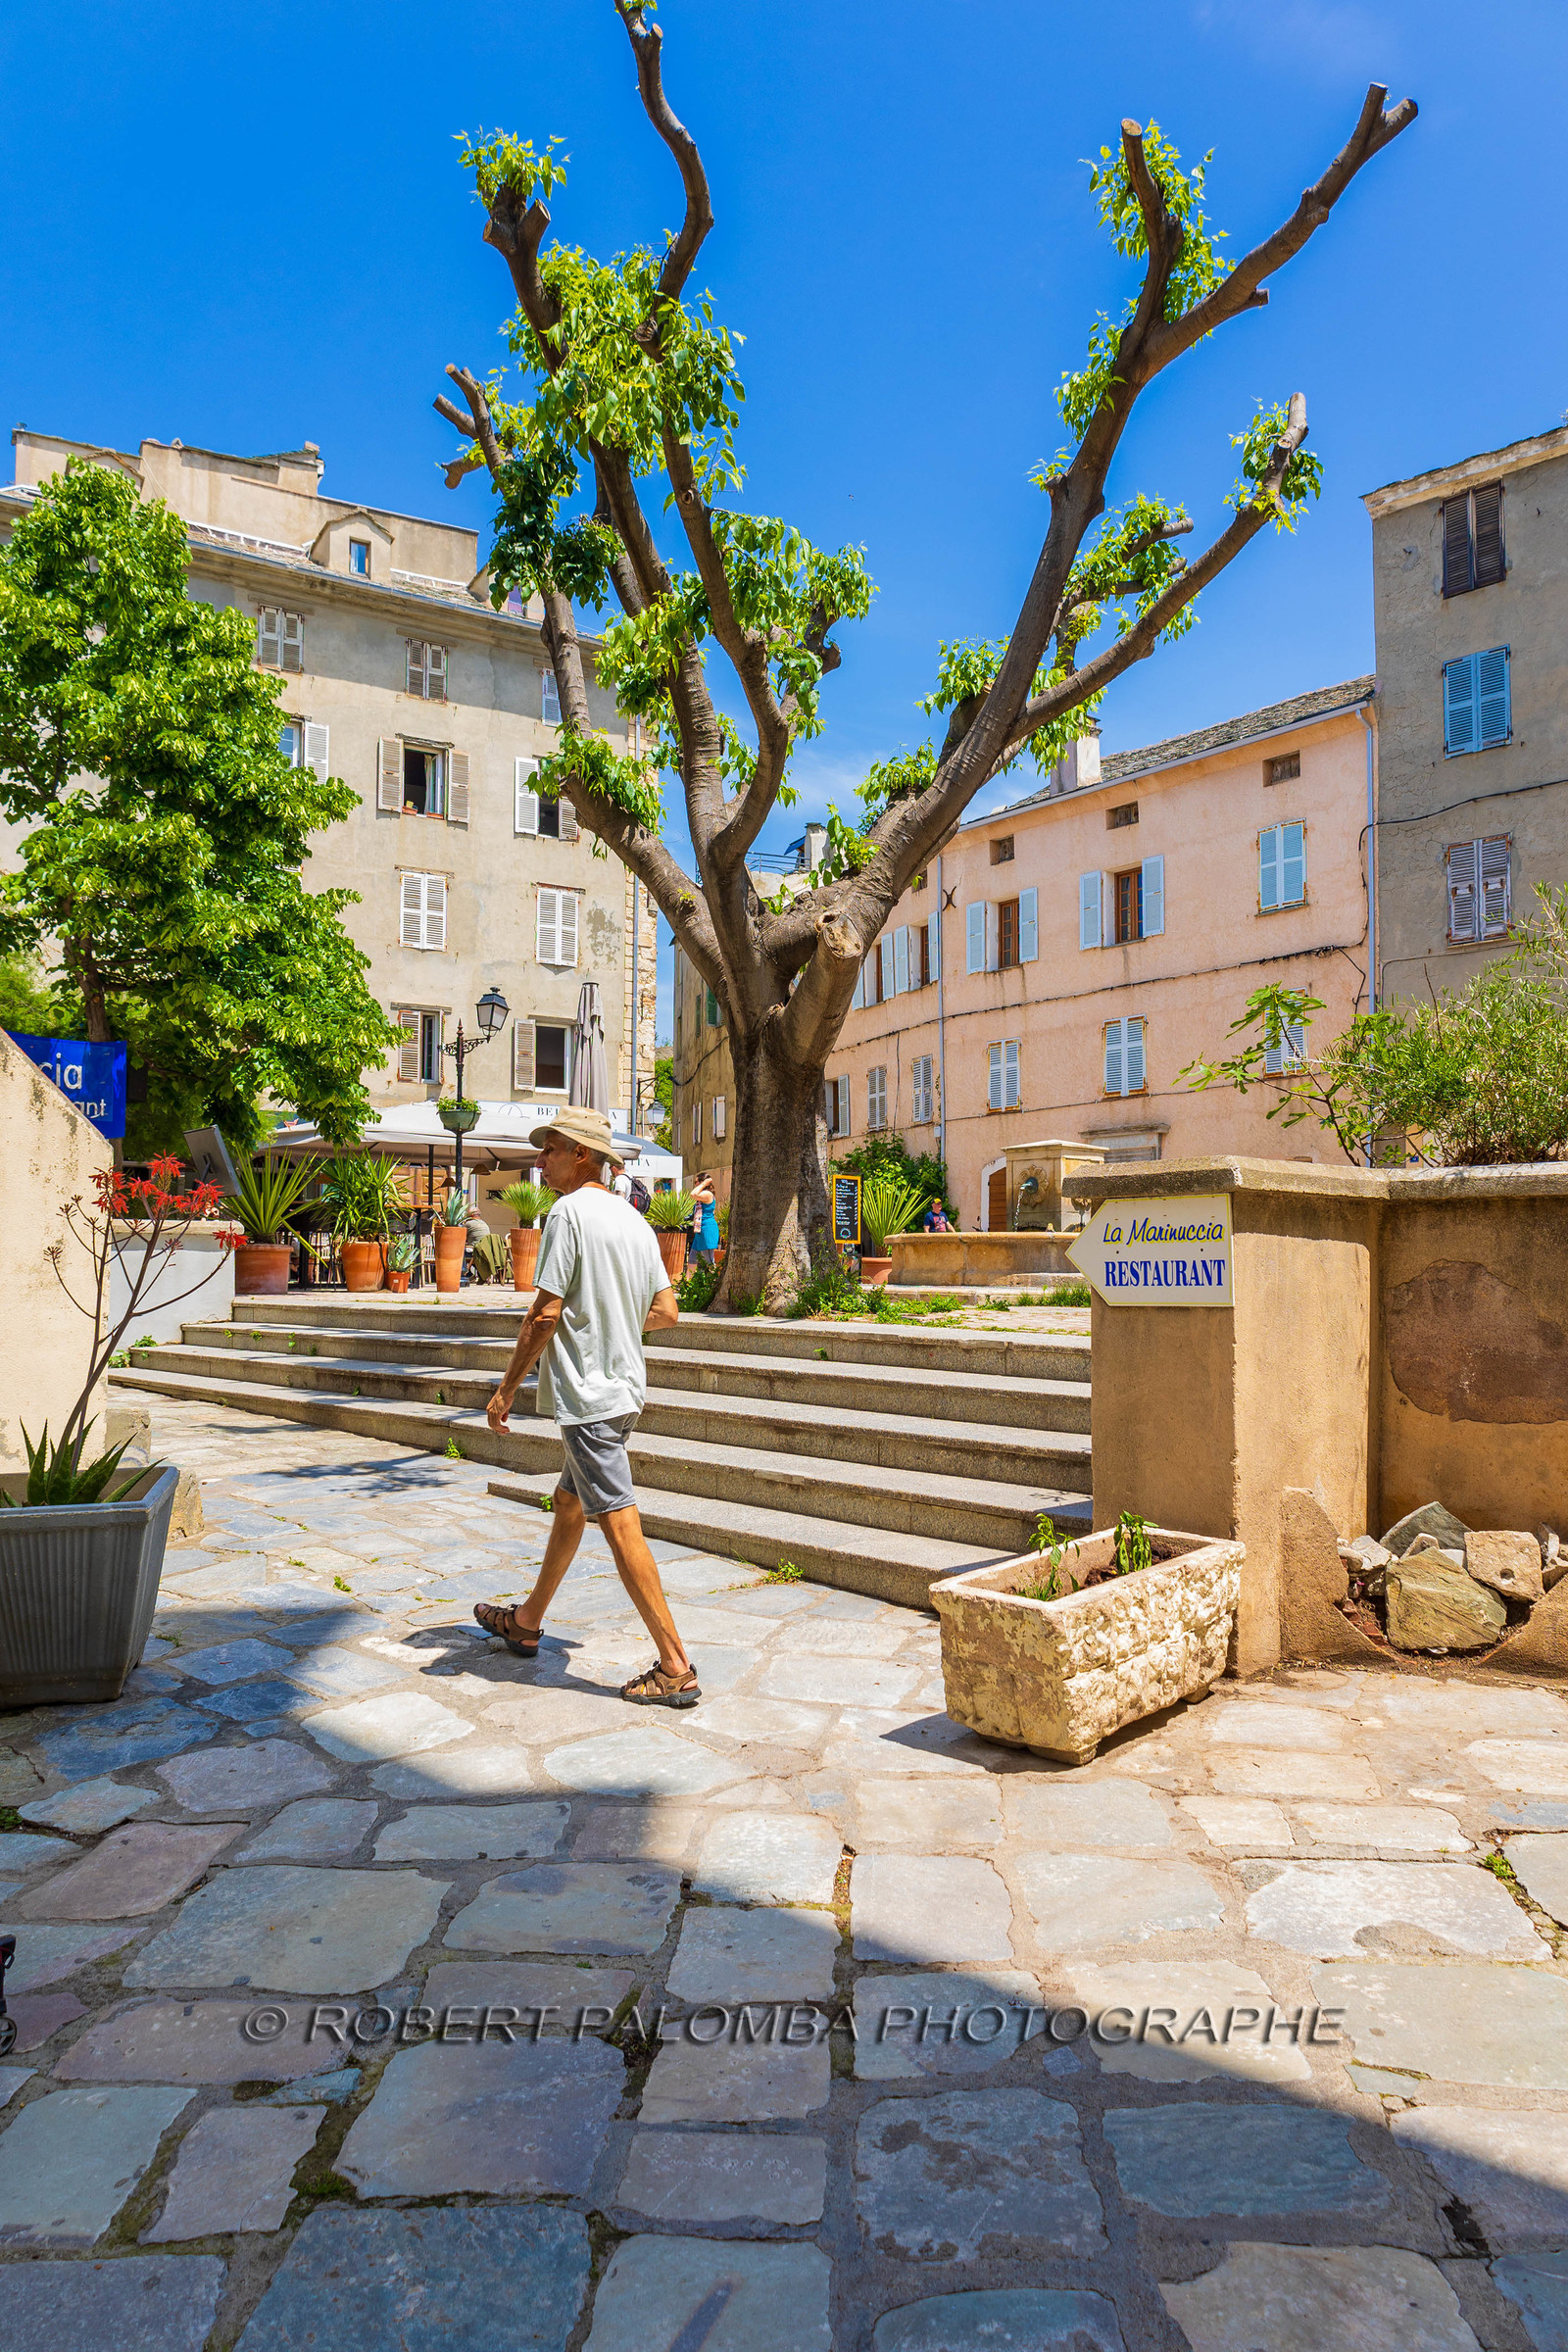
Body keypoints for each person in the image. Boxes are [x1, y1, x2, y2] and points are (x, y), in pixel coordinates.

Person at [473, 1108, 699, 1707]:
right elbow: (668, 1311)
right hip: (624, 1390)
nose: (540, 1161)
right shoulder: (632, 1220)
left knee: (619, 1521)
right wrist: (613, 1324)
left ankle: (675, 1663)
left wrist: (505, 1390)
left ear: (579, 1154)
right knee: (570, 1504)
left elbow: (545, 1313)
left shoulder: (568, 1214)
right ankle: (527, 1622)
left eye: (548, 1150)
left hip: (589, 1397)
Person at [690, 1173, 721, 1266]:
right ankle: (691, 1279)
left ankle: (713, 1280)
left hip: (707, 1229)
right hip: (700, 1229)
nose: (695, 1184)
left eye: (696, 1182)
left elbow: (693, 1194)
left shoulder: (707, 1194)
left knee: (708, 1260)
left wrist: (704, 1183)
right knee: (692, 1259)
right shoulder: (702, 1196)